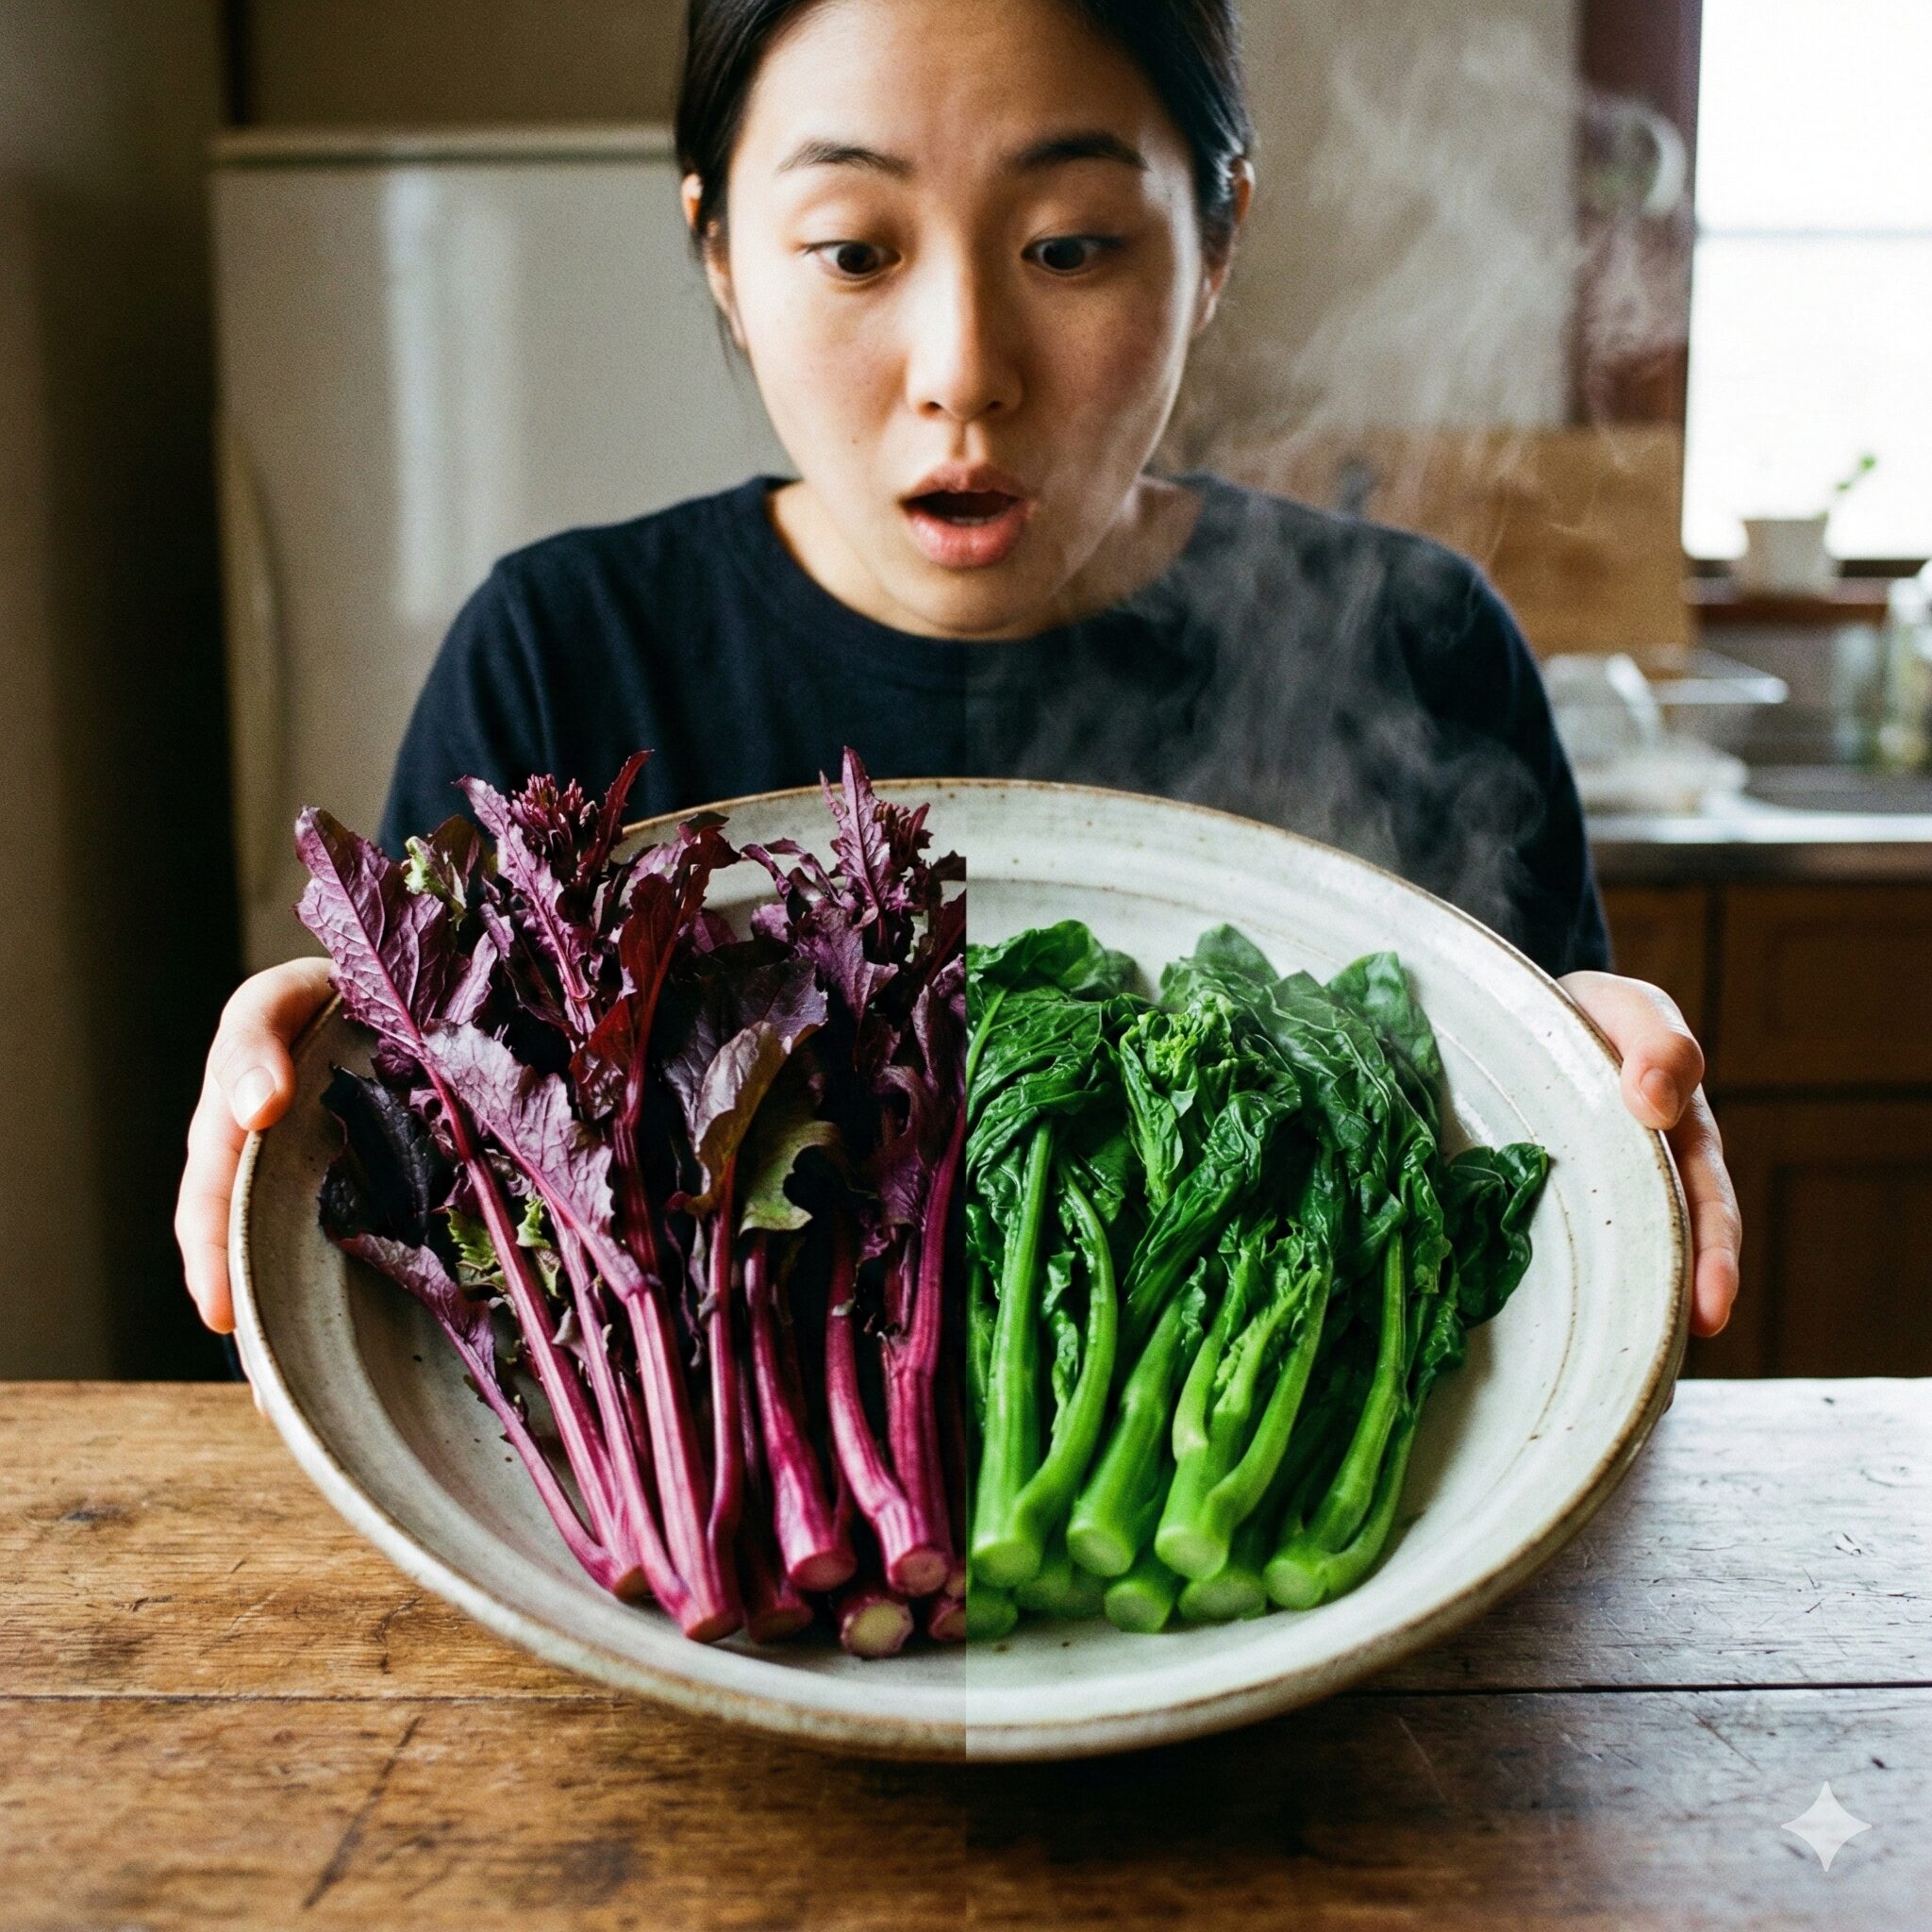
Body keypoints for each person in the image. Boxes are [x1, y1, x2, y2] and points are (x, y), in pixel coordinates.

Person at [175, 0, 1740, 1347]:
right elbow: (435, 1255)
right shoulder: (560, 655)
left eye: (1069, 246)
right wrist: (325, 1126)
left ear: (1216, 242)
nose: (965, 369)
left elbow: (1530, 1237)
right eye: (854, 250)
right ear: (718, 247)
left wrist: (1607, 1126)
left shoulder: (1421, 644)